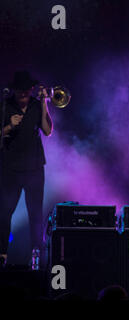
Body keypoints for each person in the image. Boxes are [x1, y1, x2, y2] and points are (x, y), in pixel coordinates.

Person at [0, 71, 53, 267]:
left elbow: (47, 131)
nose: (24, 94)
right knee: (4, 213)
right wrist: (7, 127)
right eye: (20, 91)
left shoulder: (35, 105)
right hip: (10, 169)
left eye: (27, 90)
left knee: (35, 214)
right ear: (14, 90)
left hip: (34, 168)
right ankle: (2, 255)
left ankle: (36, 256)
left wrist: (44, 102)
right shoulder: (5, 106)